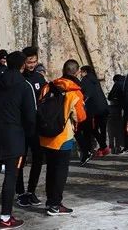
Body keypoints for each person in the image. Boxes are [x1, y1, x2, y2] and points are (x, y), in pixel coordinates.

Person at [0, 51, 36, 229]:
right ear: (21, 65)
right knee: (11, 176)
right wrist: (28, 134)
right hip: (14, 136)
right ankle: (5, 218)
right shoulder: (24, 86)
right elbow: (30, 116)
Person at [39, 59, 86, 216]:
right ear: (77, 72)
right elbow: (80, 117)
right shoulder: (74, 91)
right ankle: (55, 204)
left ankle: (49, 202)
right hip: (63, 137)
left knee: (51, 170)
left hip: (45, 136)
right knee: (60, 172)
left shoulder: (49, 86)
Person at [15, 47, 47, 208]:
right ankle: (20, 192)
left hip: (36, 127)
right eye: (29, 62)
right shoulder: (17, 79)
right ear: (23, 62)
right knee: (20, 160)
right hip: (20, 128)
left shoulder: (39, 79)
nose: (32, 65)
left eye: (34, 61)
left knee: (38, 159)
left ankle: (31, 191)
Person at [78, 65, 110, 164]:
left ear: (85, 72)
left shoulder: (85, 80)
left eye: (81, 72)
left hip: (94, 109)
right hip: (104, 107)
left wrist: (82, 103)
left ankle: (102, 147)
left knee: (92, 129)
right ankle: (103, 148)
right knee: (102, 128)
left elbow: (86, 94)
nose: (80, 74)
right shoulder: (95, 80)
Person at [107, 74, 126, 154]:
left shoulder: (117, 84)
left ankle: (115, 147)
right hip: (126, 109)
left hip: (117, 108)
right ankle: (122, 146)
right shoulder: (126, 82)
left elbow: (110, 97)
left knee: (115, 129)